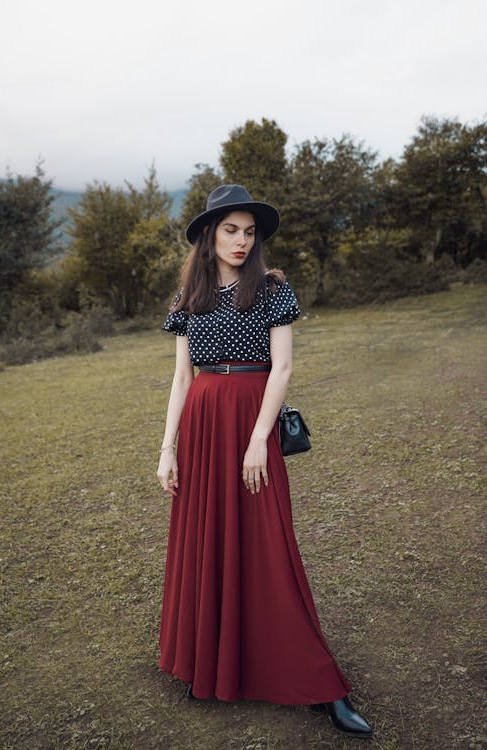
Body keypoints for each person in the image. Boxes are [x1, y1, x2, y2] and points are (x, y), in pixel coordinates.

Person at [156, 185, 372, 739]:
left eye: (249, 232)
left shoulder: (273, 291)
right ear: (209, 235)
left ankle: (322, 687)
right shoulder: (189, 298)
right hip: (204, 424)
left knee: (270, 545)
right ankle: (208, 663)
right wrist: (167, 447)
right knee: (207, 538)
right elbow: (183, 377)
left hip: (251, 419)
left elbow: (281, 369)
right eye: (230, 229)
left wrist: (258, 441)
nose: (241, 241)